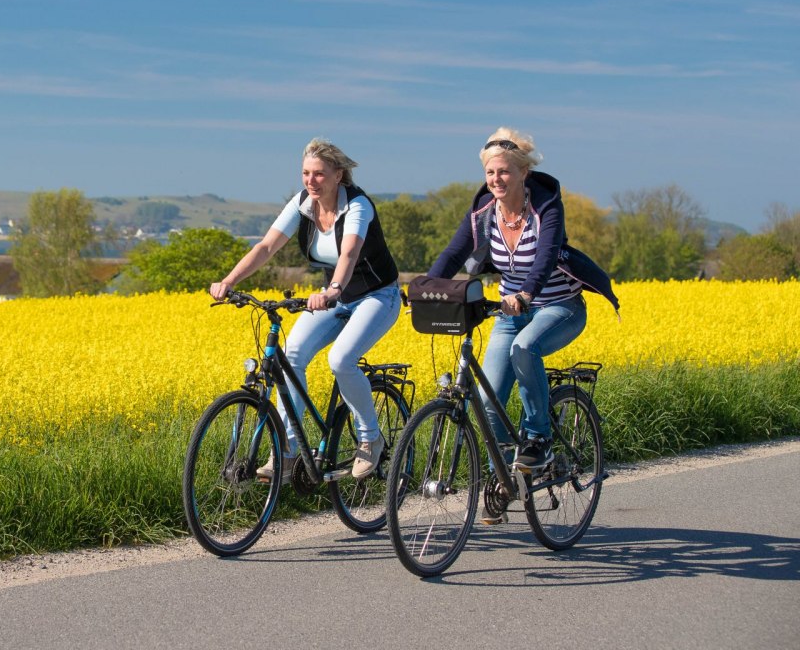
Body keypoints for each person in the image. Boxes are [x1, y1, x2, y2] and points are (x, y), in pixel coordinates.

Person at [427, 127, 619, 473]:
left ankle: (538, 439)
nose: (496, 179)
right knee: (487, 399)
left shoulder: (546, 207)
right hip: (510, 313)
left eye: (504, 171)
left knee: (525, 348)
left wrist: (527, 293)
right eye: (490, 172)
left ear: (523, 173)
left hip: (559, 307)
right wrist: (426, 286)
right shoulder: (485, 211)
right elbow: (455, 252)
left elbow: (546, 256)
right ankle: (504, 476)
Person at [210, 138, 401, 482]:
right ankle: (287, 451)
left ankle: (370, 438)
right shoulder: (303, 204)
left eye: (319, 174)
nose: (311, 181)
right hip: (335, 297)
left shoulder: (357, 206)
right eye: (306, 173)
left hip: (377, 296)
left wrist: (333, 289)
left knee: (341, 360)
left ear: (338, 175)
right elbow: (266, 246)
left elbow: (349, 254)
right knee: (292, 355)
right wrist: (229, 281)